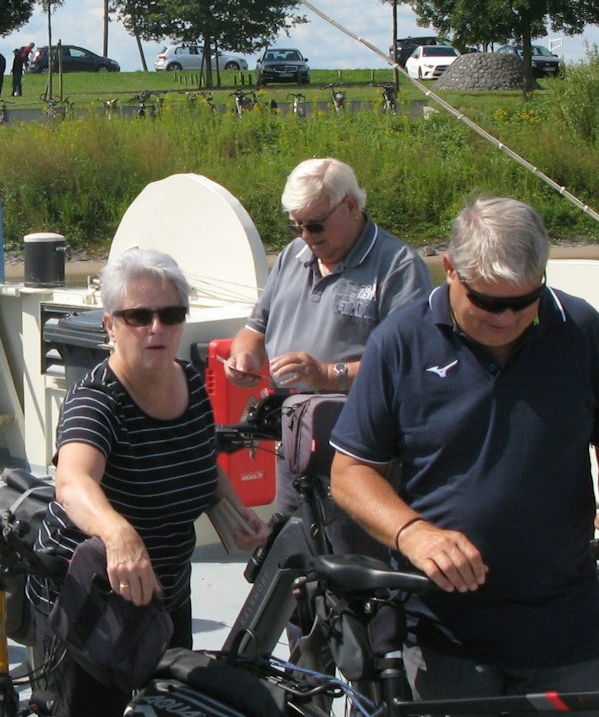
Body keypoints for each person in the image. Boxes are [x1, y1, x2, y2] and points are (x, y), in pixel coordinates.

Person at [329, 196, 599, 699]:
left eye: (524, 301)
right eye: (489, 302)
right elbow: (350, 472)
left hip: (564, 628)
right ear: (451, 270)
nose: (507, 318)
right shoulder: (400, 340)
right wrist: (414, 534)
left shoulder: (580, 329)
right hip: (445, 633)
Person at [26, 248, 267, 717]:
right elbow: (73, 481)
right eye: (138, 316)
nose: (156, 328)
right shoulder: (97, 400)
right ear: (110, 324)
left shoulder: (191, 382)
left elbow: (201, 460)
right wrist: (118, 533)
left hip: (165, 594)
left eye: (170, 314)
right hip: (91, 600)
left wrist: (232, 511)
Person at [223, 158, 431, 517]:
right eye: (298, 226)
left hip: (362, 452)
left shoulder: (398, 267)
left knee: (352, 557)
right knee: (292, 550)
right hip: (293, 444)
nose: (307, 236)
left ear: (351, 206)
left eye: (315, 225)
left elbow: (408, 369)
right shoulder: (294, 256)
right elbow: (254, 329)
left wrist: (325, 374)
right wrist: (244, 357)